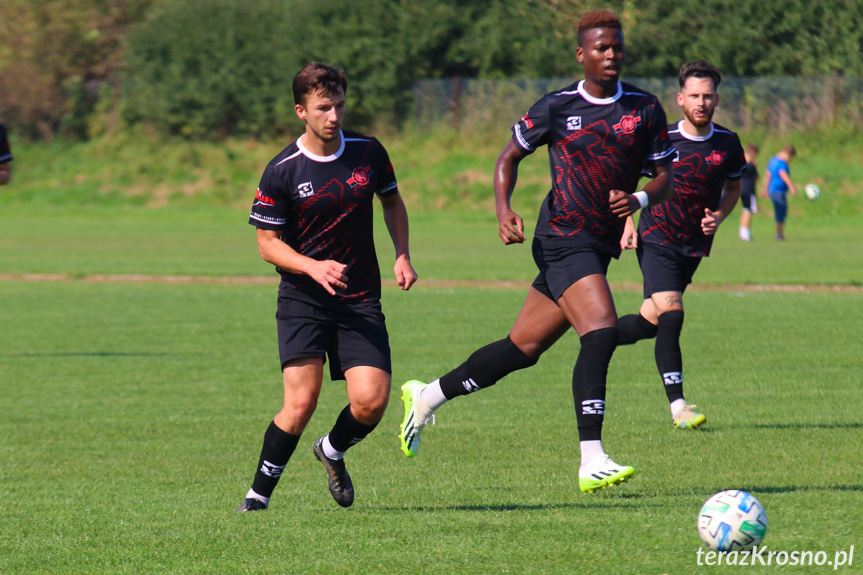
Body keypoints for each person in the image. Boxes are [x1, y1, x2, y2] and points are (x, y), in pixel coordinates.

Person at [397, 9, 674, 494]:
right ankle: (592, 458)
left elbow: (664, 176)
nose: (612, 55)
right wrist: (503, 209)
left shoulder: (646, 109)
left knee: (520, 350)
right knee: (602, 331)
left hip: (599, 244)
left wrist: (640, 199)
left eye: (618, 47)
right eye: (602, 48)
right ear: (581, 54)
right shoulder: (556, 106)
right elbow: (509, 156)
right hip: (562, 238)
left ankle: (427, 396)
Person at [237, 63, 417, 511]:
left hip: (358, 298)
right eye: (323, 107)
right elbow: (266, 244)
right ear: (301, 111)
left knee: (371, 402)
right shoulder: (282, 169)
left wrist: (402, 253)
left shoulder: (369, 152)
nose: (333, 116)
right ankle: (257, 497)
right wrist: (311, 267)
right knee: (300, 404)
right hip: (303, 298)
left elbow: (392, 201)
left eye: (338, 105)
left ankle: (332, 449)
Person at [616, 60, 745, 429]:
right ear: (680, 99)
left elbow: (733, 188)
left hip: (693, 246)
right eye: (694, 96)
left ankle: (597, 337)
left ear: (717, 99)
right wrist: (627, 222)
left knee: (649, 323)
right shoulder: (662, 140)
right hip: (655, 238)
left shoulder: (728, 143)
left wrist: (719, 216)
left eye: (707, 96)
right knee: (673, 313)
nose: (700, 102)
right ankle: (679, 407)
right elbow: (627, 182)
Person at [760, 145, 798, 240]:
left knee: (779, 211)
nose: (790, 160)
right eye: (790, 157)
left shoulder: (772, 160)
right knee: (781, 211)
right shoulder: (782, 163)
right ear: (788, 154)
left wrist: (765, 188)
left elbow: (767, 175)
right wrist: (791, 186)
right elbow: (783, 174)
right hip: (778, 191)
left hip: (772, 190)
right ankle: (779, 234)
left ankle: (779, 233)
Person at [738, 144, 759, 241]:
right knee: (748, 211)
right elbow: (756, 177)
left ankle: (742, 232)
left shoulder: (740, 162)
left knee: (744, 210)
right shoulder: (751, 165)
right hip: (749, 189)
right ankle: (746, 233)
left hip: (740, 188)